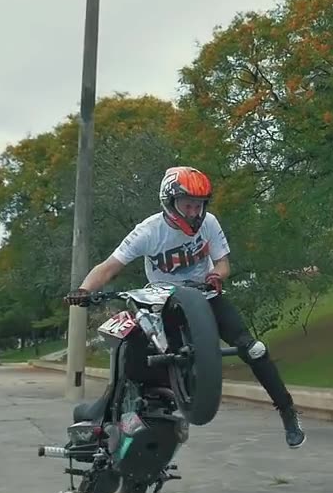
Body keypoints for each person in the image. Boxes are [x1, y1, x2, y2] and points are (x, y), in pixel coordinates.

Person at [64, 165, 306, 449]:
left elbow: (223, 263)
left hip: (205, 296)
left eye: (199, 206)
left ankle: (288, 412)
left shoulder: (210, 224)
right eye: (188, 205)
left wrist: (217, 275)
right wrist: (84, 291)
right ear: (169, 202)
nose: (194, 212)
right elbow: (108, 268)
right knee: (131, 345)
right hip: (163, 302)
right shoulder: (148, 231)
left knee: (253, 348)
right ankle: (113, 411)